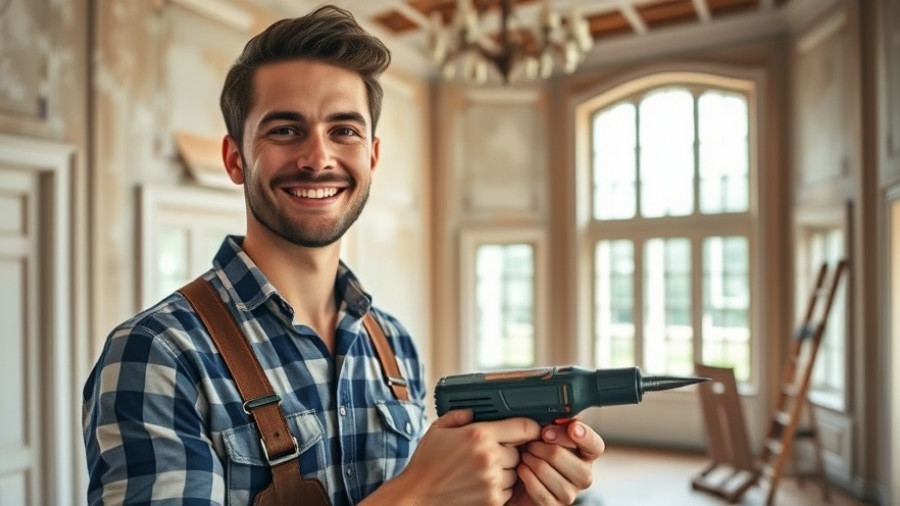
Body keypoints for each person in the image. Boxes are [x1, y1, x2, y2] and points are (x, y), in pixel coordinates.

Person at [82, 5, 605, 505]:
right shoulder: (157, 354)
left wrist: (499, 499)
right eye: (285, 129)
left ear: (372, 157)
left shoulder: (393, 343)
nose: (318, 157)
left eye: (344, 130)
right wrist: (419, 495)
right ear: (235, 159)